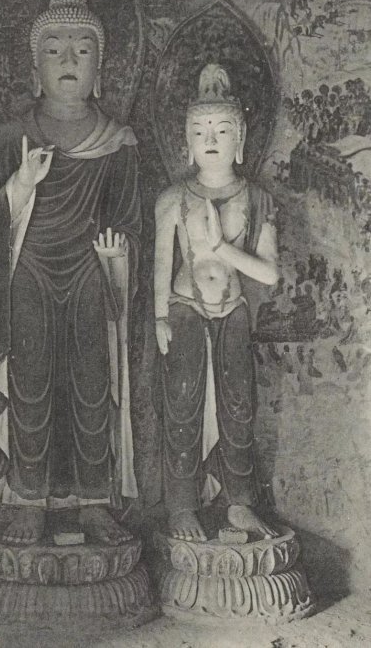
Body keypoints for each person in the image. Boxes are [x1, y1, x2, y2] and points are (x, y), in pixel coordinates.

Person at [0, 0, 141, 546]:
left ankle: (94, 501)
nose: (69, 60)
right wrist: (21, 183)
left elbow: (129, 221)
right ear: (34, 69)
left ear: (100, 70)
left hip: (90, 272)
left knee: (92, 385)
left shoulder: (117, 143)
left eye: (82, 50)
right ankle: (29, 497)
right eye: (54, 50)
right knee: (31, 383)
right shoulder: (10, 138)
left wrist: (119, 253)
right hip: (28, 271)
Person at [154, 63, 279, 542]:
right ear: (186, 142)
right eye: (200, 130)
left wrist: (221, 248)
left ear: (240, 141)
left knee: (239, 403)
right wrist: (159, 316)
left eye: (223, 130)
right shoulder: (173, 198)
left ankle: (239, 503)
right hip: (184, 305)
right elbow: (161, 264)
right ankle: (182, 506)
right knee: (183, 401)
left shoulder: (257, 199)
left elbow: (269, 273)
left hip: (233, 309)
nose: (211, 139)